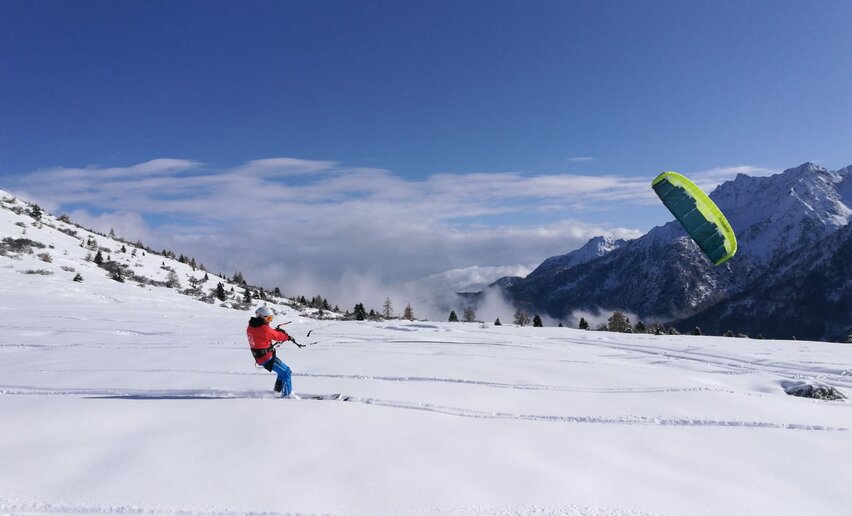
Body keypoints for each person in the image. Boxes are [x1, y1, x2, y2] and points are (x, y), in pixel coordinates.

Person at [247, 305, 295, 397]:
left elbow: (265, 333)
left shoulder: (251, 326)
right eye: (268, 319)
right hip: (266, 358)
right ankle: (287, 396)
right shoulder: (264, 329)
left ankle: (277, 390)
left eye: (271, 318)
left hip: (261, 357)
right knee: (286, 372)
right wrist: (287, 337)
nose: (270, 321)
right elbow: (277, 336)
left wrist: (274, 331)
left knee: (282, 372)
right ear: (261, 317)